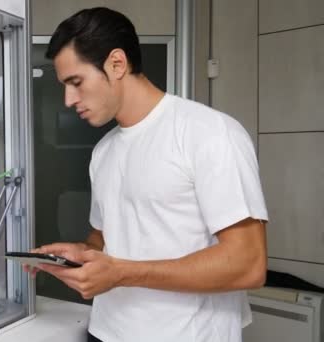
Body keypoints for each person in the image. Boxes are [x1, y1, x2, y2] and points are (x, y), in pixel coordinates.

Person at [26, 7, 268, 342]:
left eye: (76, 82)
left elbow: (248, 263)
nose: (68, 100)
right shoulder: (104, 151)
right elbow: (105, 237)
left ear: (117, 63)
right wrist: (83, 253)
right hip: (105, 332)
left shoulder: (210, 133)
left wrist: (123, 273)